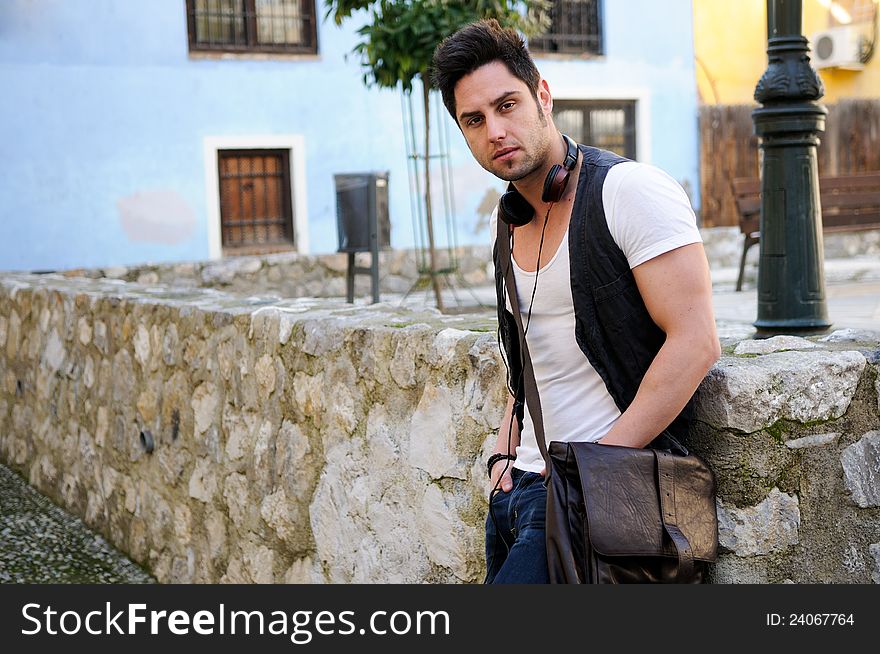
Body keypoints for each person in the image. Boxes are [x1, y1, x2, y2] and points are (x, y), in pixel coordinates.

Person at [432, 19, 721, 584]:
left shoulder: (629, 191)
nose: (495, 129)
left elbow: (696, 341)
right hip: (520, 493)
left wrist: (593, 470)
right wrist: (503, 449)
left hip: (594, 498)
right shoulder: (511, 217)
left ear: (542, 94)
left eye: (507, 104)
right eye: (475, 120)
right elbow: (531, 354)